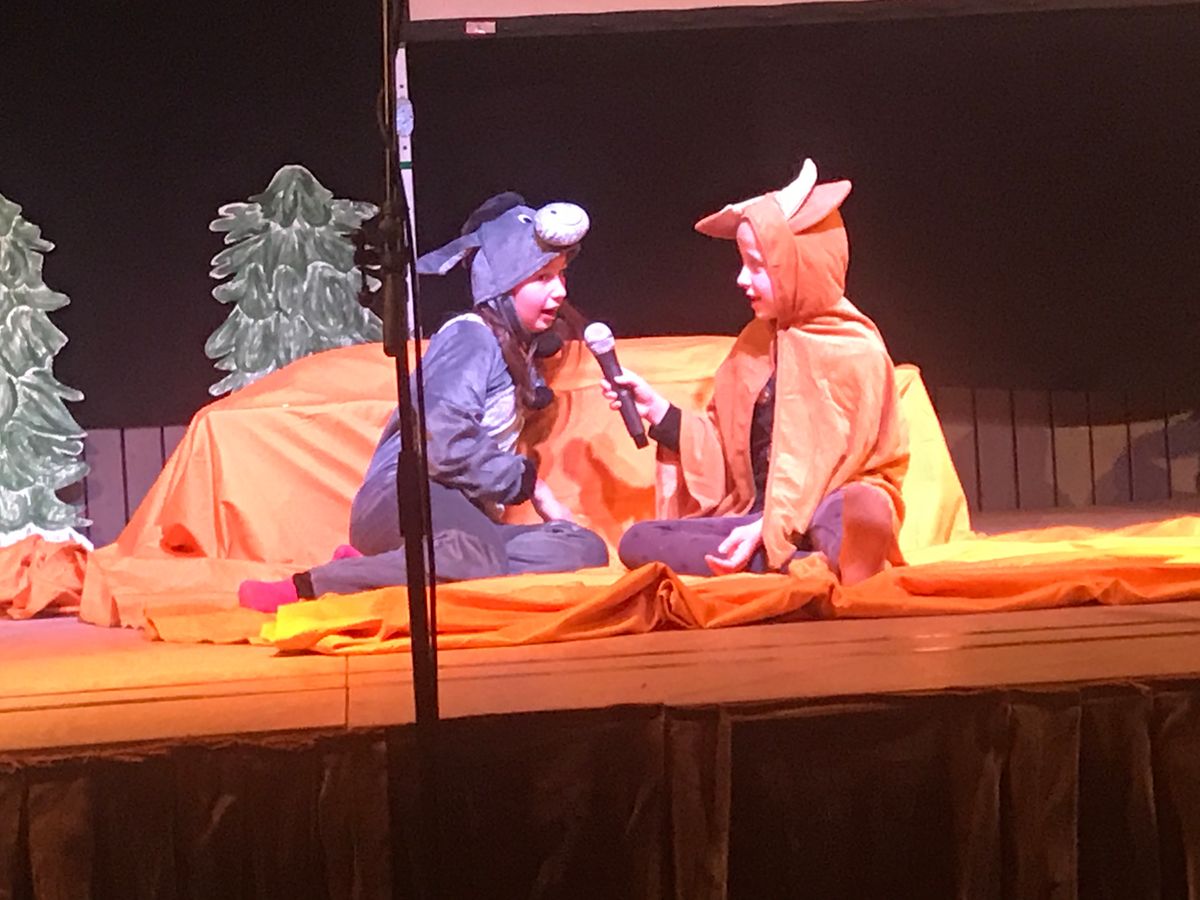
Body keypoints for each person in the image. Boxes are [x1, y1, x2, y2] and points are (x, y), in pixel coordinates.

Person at [240, 192, 609, 612]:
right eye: (542, 277)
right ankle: (310, 587)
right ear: (500, 286)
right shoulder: (470, 336)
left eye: (561, 275)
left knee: (582, 549)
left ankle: (385, 569)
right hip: (407, 496)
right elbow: (441, 440)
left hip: (462, 521)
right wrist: (529, 483)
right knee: (475, 558)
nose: (559, 291)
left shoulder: (517, 352)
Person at [604, 159, 908, 585]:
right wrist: (660, 413)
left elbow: (833, 465)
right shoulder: (753, 346)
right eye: (743, 262)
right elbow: (726, 454)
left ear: (799, 263)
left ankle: (827, 556)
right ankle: (799, 566)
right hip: (756, 517)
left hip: (820, 507)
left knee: (855, 508)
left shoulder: (854, 349)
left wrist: (777, 523)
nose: (742, 279)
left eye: (759, 265)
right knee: (639, 540)